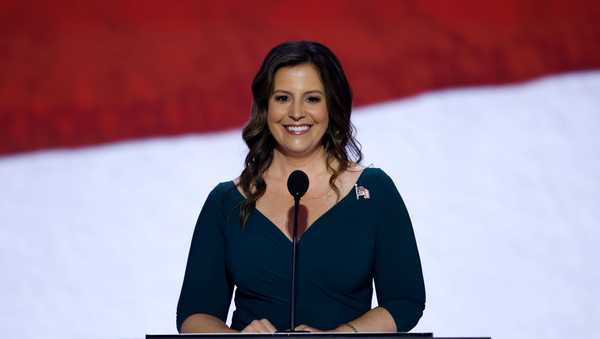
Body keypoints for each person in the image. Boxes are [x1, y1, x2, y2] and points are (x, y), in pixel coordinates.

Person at [176, 40, 425, 333]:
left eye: (312, 99)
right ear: (265, 106)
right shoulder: (226, 201)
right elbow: (194, 315)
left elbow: (405, 302)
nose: (296, 112)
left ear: (332, 105)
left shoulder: (373, 192)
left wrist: (342, 334)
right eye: (283, 98)